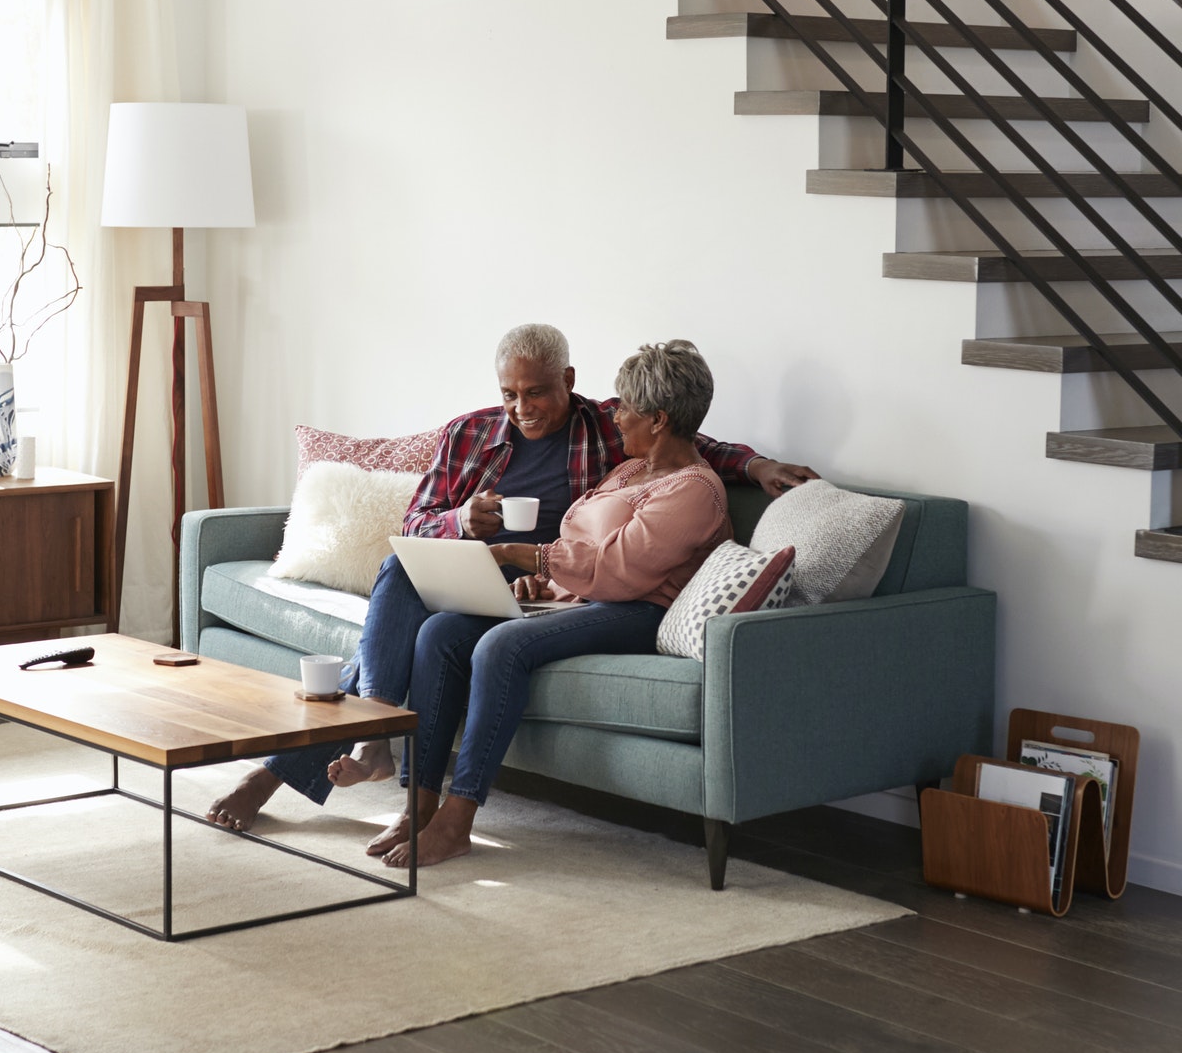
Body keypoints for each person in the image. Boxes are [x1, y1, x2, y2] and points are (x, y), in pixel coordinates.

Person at [205, 325, 815, 837]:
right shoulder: (470, 434)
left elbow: (686, 438)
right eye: (510, 394)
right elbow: (415, 522)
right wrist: (458, 521)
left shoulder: (608, 429)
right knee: (399, 569)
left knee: (418, 641)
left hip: (539, 575)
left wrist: (756, 464)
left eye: (538, 393)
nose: (523, 408)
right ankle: (379, 730)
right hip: (488, 565)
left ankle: (303, 762)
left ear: (570, 383)